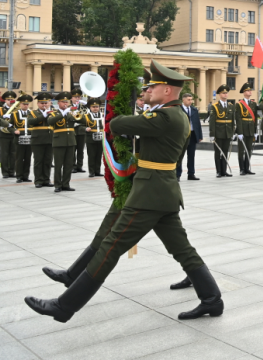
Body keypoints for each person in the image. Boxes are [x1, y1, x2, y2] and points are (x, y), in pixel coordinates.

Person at [26, 59, 224, 323]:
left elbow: (118, 124)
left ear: (167, 91)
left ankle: (64, 306)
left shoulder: (164, 116)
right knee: (182, 249)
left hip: (149, 195)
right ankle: (212, 300)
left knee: (111, 247)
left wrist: (122, 103)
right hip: (161, 192)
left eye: (153, 87)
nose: (148, 90)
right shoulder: (173, 114)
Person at [49, 92, 87, 192]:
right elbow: (50, 121)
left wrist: (76, 113)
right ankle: (57, 184)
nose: (65, 103)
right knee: (58, 165)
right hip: (58, 141)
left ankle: (66, 184)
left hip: (70, 141)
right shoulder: (54, 113)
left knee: (68, 164)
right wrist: (62, 113)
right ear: (58, 103)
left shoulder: (71, 113)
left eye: (67, 101)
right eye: (63, 102)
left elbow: (83, 121)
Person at [27, 92, 54, 188]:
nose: (44, 105)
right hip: (37, 140)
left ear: (49, 103)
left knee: (48, 161)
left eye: (46, 103)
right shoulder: (33, 112)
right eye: (42, 103)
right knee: (38, 161)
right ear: (38, 104)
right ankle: (38, 180)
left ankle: (46, 179)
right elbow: (31, 122)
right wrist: (44, 115)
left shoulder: (53, 112)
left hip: (50, 139)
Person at [208, 85, 235, 178]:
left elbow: (232, 120)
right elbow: (212, 121)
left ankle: (224, 170)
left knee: (225, 151)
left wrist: (233, 132)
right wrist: (212, 134)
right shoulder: (215, 106)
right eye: (223, 93)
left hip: (227, 132)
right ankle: (218, 171)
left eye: (226, 93)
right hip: (218, 133)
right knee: (218, 152)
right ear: (219, 94)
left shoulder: (231, 106)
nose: (225, 94)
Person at [177, 93, 202, 180]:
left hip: (192, 135)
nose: (190, 101)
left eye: (191, 99)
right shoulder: (178, 110)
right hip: (182, 136)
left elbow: (198, 124)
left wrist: (200, 135)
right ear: (183, 100)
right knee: (180, 156)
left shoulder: (194, 110)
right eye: (188, 99)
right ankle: (178, 174)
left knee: (191, 156)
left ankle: (191, 174)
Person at [9, 94, 33, 183]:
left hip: (30, 138)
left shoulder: (32, 113)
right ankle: (19, 176)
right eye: (24, 104)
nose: (25, 105)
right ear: (20, 104)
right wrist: (14, 130)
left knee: (28, 158)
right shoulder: (15, 114)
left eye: (27, 104)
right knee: (19, 158)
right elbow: (10, 126)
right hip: (19, 138)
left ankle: (25, 176)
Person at [235, 83, 257, 175]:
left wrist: (255, 131)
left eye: (250, 90)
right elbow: (238, 119)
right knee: (241, 150)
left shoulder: (253, 104)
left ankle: (247, 168)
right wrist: (239, 132)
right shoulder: (239, 104)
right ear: (244, 92)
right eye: (248, 90)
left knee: (249, 149)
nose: (250, 92)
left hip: (251, 129)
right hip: (243, 130)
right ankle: (242, 169)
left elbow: (255, 118)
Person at [83, 98, 105, 178]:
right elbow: (79, 126)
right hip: (91, 138)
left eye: (97, 106)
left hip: (101, 138)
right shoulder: (86, 116)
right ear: (90, 108)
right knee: (91, 155)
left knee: (99, 155)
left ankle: (97, 171)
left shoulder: (103, 115)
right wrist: (85, 129)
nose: (95, 108)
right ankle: (91, 171)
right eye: (93, 107)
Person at [0, 91, 18, 178]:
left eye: (12, 99)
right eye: (8, 99)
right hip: (4, 133)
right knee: (5, 153)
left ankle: (12, 171)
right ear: (5, 101)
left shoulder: (16, 110)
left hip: (14, 133)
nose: (10, 101)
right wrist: (2, 118)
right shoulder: (0, 109)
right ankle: (5, 172)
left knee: (13, 153)